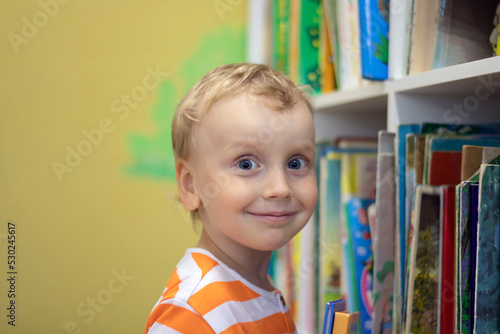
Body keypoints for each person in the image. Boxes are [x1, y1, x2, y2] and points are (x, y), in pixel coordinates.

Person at [145, 63, 318, 334]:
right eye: (246, 164)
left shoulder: (259, 289)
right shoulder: (192, 312)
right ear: (191, 186)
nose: (280, 188)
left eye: (296, 163)